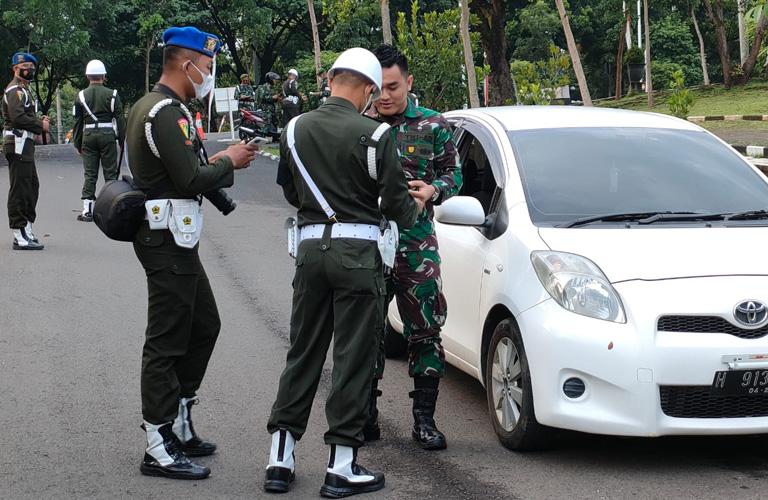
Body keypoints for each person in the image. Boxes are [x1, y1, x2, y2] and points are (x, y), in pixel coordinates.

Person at [264, 48, 422, 497]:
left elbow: (291, 190)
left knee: (303, 352)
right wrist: (416, 206)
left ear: (331, 78)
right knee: (353, 357)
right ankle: (342, 464)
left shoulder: (294, 128)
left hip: (310, 250)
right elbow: (397, 206)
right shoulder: (377, 135)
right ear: (369, 89)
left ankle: (280, 457)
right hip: (359, 254)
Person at [126, 26, 256, 480]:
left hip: (175, 239)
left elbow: (183, 170)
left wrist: (220, 164)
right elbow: (189, 179)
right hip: (165, 239)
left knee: (204, 324)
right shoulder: (164, 112)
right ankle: (158, 443)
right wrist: (230, 160)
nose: (209, 73)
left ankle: (179, 418)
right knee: (166, 338)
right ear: (187, 65)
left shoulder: (157, 106)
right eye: (207, 65)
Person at [364, 44, 463, 450]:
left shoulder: (433, 125)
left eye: (392, 87)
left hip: (416, 245)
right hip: (367, 244)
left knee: (425, 330)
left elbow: (454, 174)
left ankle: (424, 420)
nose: (384, 96)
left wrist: (434, 190)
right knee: (365, 332)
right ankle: (365, 416)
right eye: (377, 88)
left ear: (408, 82)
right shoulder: (359, 125)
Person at [1, 52, 48, 250]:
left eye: (31, 67)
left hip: (24, 143)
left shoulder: (23, 90)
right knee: (20, 189)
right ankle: (18, 233)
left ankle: (26, 227)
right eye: (25, 67)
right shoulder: (15, 90)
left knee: (31, 186)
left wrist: (38, 123)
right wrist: (40, 125)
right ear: (15, 69)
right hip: (17, 143)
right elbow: (18, 118)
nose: (29, 70)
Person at [72, 59, 126, 222]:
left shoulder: (80, 96)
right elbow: (120, 120)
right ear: (103, 76)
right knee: (110, 173)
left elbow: (77, 122)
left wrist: (77, 143)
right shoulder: (113, 94)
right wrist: (122, 140)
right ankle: (112, 209)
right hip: (108, 135)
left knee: (90, 173)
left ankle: (87, 210)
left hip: (88, 136)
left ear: (88, 76)